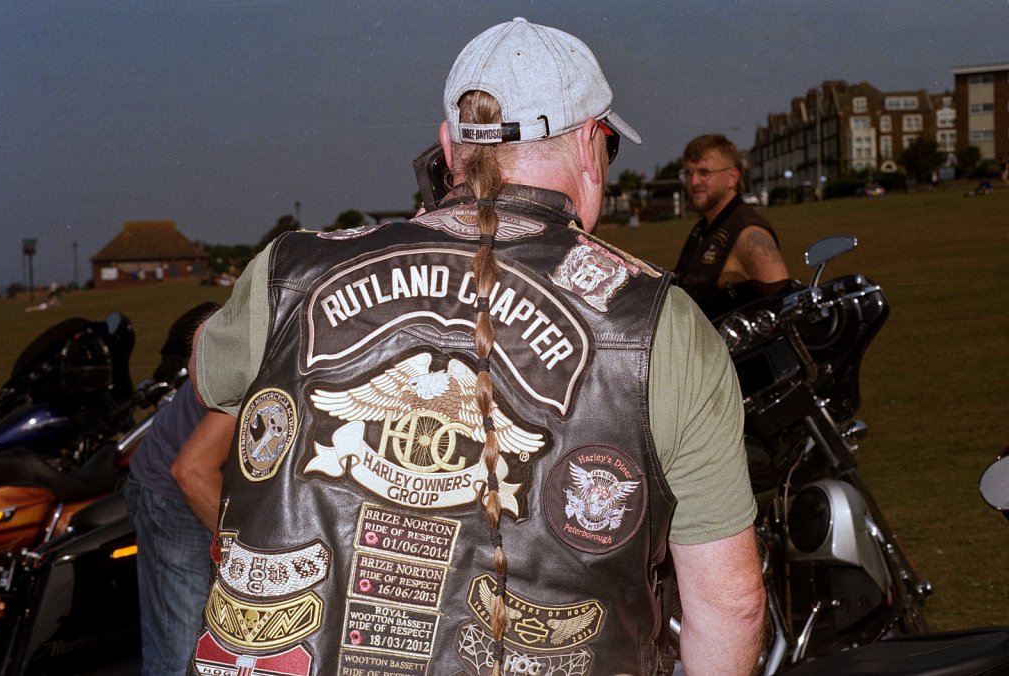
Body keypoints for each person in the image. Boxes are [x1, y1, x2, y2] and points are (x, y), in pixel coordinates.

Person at [188, 18, 764, 676]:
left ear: (447, 147)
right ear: (588, 145)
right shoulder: (662, 325)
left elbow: (209, 365)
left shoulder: (287, 271)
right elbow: (731, 606)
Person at [125, 302, 234, 676]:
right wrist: (249, 556)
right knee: (183, 651)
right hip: (173, 495)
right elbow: (190, 472)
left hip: (204, 481)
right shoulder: (262, 364)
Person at [673, 134, 789, 302]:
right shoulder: (704, 227)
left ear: (733, 177)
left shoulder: (749, 233)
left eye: (704, 172)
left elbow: (781, 302)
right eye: (688, 173)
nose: (694, 181)